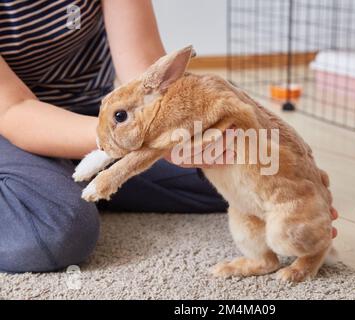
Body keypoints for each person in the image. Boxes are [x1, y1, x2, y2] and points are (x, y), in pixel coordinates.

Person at [0, 0, 337, 273]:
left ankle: (61, 181)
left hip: (97, 113)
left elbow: (148, 76)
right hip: (13, 125)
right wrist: (122, 139)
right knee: (53, 233)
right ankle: (50, 186)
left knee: (236, 168)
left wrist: (294, 190)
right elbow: (13, 110)